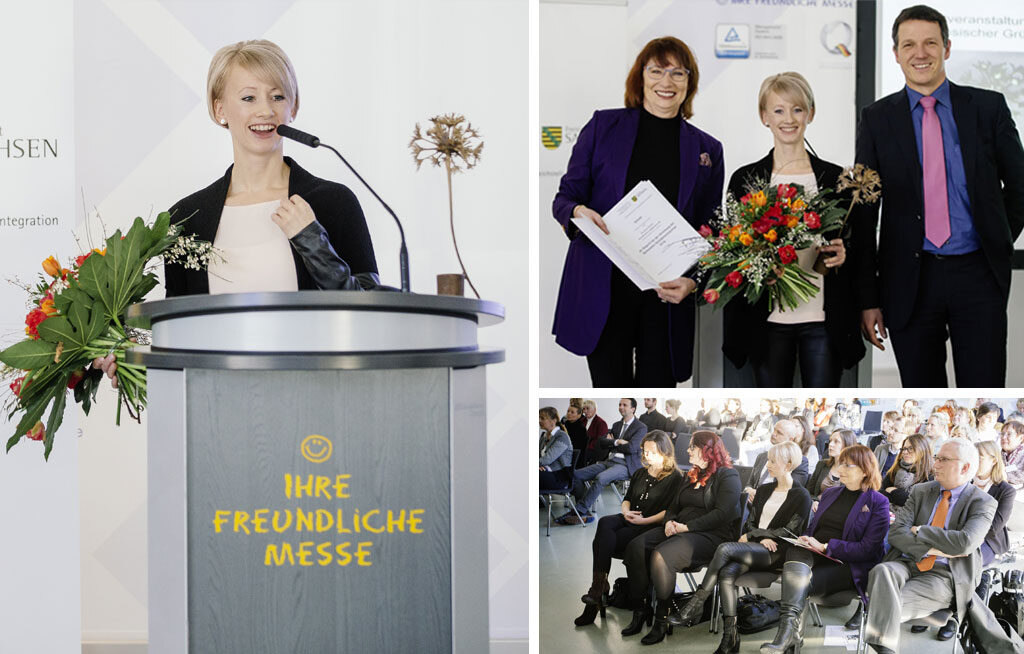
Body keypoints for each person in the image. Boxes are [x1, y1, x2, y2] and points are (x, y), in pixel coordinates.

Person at [851, 5, 1024, 387]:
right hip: (909, 280)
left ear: (947, 48)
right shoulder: (877, 118)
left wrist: (996, 238)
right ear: (895, 53)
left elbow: (1019, 186)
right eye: (909, 44)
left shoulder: (988, 107)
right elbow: (865, 211)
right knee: (922, 390)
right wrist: (868, 297)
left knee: (983, 390)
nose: (920, 53)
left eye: (930, 42)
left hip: (977, 274)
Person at [551, 36, 725, 387]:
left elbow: (712, 231)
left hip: (666, 297)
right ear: (640, 77)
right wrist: (578, 212)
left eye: (678, 73)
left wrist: (693, 282)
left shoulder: (708, 149)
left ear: (689, 83)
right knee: (609, 390)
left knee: (658, 391)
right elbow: (565, 198)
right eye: (657, 70)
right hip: (604, 290)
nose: (667, 82)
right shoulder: (603, 126)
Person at [165, 40, 378, 297]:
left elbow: (370, 309)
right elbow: (172, 325)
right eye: (248, 98)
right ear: (219, 108)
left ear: (293, 107)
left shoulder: (334, 202)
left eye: (277, 97)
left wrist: (312, 241)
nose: (265, 111)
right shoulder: (186, 218)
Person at [721, 77, 862, 386]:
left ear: (810, 114)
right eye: (779, 110)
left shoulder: (836, 178)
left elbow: (856, 246)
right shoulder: (745, 178)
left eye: (797, 110)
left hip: (824, 321)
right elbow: (732, 250)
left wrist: (843, 255)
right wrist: (756, 266)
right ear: (764, 116)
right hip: (766, 320)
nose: (788, 119)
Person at [863, 438, 1022, 654]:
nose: (935, 464)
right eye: (937, 458)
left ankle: (882, 647)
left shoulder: (983, 502)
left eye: (943, 460)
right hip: (907, 562)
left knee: (883, 605)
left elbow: (964, 543)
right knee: (883, 570)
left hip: (945, 575)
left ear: (965, 467)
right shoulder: (921, 490)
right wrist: (929, 549)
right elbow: (896, 533)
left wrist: (921, 531)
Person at [672, 442, 811, 654]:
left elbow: (789, 532)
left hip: (776, 552)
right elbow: (749, 523)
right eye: (769, 459)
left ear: (789, 464)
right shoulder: (764, 490)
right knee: (726, 573)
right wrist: (756, 535)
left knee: (725, 549)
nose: (768, 464)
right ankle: (730, 638)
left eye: (773, 461)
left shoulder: (801, 496)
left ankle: (697, 602)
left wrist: (757, 535)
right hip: (754, 547)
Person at [754, 444, 889, 653]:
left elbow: (868, 550)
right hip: (814, 554)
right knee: (796, 553)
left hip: (847, 564)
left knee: (797, 581)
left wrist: (826, 546)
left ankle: (788, 638)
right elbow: (812, 528)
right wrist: (807, 539)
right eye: (840, 463)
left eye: (847, 465)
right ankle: (788, 637)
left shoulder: (877, 502)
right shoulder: (831, 494)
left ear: (865, 470)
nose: (839, 469)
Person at [621, 431, 741, 645]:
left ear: (706, 451)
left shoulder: (728, 476)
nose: (687, 450)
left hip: (711, 535)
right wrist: (669, 521)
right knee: (636, 546)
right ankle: (641, 609)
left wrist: (687, 526)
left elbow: (722, 514)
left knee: (661, 555)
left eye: (692, 447)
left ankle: (662, 618)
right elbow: (674, 506)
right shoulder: (691, 474)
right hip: (680, 528)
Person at [574, 431, 684, 627]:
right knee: (605, 522)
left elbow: (670, 510)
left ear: (664, 451)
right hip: (631, 517)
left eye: (651, 451)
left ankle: (596, 597)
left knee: (604, 541)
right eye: (644, 451)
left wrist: (643, 521)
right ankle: (598, 588)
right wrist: (626, 513)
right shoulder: (641, 472)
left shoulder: (675, 477)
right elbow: (627, 500)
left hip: (650, 525)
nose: (646, 455)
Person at [561, 399, 647, 524]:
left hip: (626, 465)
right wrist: (617, 442)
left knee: (601, 478)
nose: (621, 407)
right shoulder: (617, 425)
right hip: (609, 461)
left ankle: (580, 511)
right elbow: (601, 442)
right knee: (576, 474)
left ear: (633, 409)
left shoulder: (641, 427)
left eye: (624, 405)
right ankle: (582, 507)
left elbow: (632, 448)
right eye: (620, 405)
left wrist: (611, 443)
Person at [973, 440, 1016, 567]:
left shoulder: (1006, 491)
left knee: (966, 561)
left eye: (979, 458)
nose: (974, 462)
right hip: (960, 534)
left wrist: (968, 534)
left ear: (993, 461)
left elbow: (994, 527)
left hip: (989, 540)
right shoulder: (966, 482)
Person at [745, 419, 810, 497]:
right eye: (774, 430)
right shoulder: (762, 456)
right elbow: (750, 483)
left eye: (779, 433)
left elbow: (791, 491)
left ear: (790, 439)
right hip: (752, 501)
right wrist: (748, 490)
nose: (774, 434)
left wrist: (759, 494)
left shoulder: (799, 462)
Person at [881, 433, 934, 508]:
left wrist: (893, 491)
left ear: (922, 450)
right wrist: (901, 497)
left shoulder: (929, 476)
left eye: (911, 448)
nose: (905, 452)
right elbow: (880, 492)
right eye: (904, 448)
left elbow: (915, 503)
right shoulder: (897, 468)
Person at [807, 429, 858, 500]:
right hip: (816, 507)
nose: (830, 444)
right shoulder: (822, 464)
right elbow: (808, 492)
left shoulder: (854, 472)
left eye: (836, 441)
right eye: (830, 440)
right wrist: (814, 502)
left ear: (847, 445)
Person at [539, 407, 572, 490]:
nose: (539, 421)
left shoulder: (562, 436)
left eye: (542, 418)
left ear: (553, 420)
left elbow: (547, 459)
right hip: (545, 471)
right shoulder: (544, 436)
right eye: (539, 418)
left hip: (558, 476)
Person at [580, 400, 609, 467]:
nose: (585, 411)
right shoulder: (581, 421)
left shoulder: (601, 423)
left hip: (592, 450)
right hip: (581, 449)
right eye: (584, 409)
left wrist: (584, 447)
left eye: (587, 408)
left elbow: (599, 442)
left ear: (594, 410)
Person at [1000, 420, 1024, 488]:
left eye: (1009, 434)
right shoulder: (999, 454)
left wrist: (1001, 474)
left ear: (1021, 438)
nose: (1003, 437)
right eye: (1002, 434)